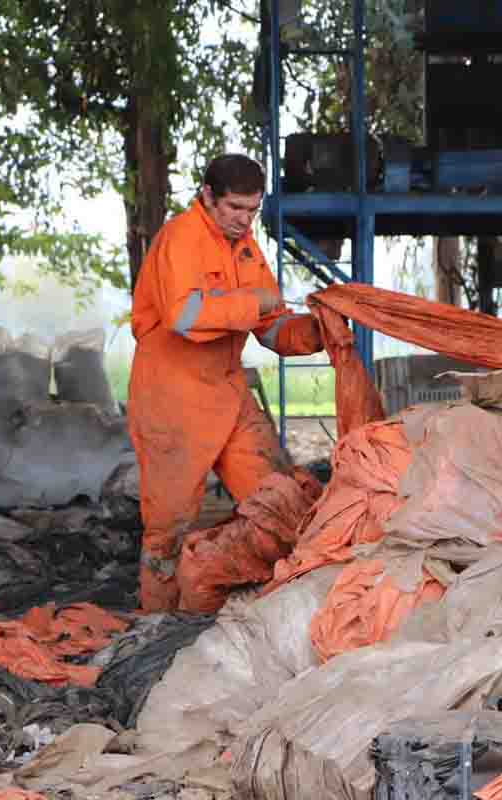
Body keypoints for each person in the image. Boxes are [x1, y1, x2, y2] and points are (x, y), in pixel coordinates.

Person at [128, 154, 324, 611]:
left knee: (279, 501)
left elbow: (270, 323)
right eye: (235, 208)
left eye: (253, 210)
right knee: (168, 528)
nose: (244, 220)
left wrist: (312, 334)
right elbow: (185, 316)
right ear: (208, 196)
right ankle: (156, 623)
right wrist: (253, 300)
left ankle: (265, 605)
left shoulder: (247, 247)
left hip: (228, 393)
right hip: (172, 399)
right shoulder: (179, 238)